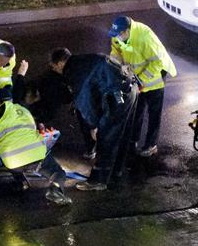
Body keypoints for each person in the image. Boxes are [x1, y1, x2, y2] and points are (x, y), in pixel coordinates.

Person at [49, 47, 138, 191]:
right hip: (129, 89)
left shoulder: (75, 72)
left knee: (106, 137)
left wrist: (94, 126)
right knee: (122, 134)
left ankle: (99, 180)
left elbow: (85, 102)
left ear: (59, 63)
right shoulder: (85, 59)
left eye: (54, 67)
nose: (54, 70)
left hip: (116, 98)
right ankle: (116, 172)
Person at [108, 16, 177, 157]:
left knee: (153, 114)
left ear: (126, 32)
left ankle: (151, 144)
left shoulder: (144, 37)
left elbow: (158, 63)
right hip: (136, 76)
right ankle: (133, 140)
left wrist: (141, 81)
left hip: (155, 77)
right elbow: (115, 51)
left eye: (118, 35)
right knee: (136, 110)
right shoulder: (117, 35)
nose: (116, 38)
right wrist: (120, 65)